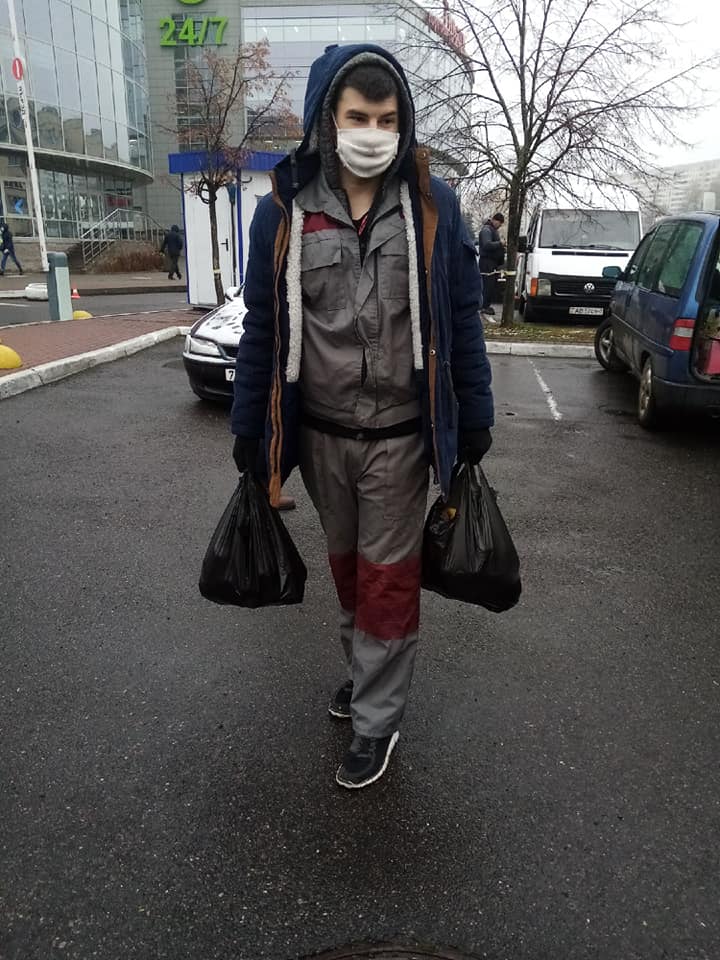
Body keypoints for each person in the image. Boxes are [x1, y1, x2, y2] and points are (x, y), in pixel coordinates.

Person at [230, 44, 494, 789]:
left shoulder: (433, 207)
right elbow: (262, 327)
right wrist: (249, 429)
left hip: (401, 441)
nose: (372, 133)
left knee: (387, 578)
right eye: (358, 117)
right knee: (349, 572)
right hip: (322, 439)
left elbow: (463, 319)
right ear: (328, 119)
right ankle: (364, 672)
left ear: (402, 124)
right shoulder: (284, 213)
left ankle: (377, 720)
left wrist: (475, 416)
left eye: (385, 119)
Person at [478, 213, 505, 316]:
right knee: (487, 285)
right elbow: (486, 245)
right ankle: (483, 306)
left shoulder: (492, 230)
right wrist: (500, 244)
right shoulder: (487, 230)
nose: (499, 226)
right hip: (487, 262)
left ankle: (486, 305)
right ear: (495, 220)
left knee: (491, 285)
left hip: (492, 263)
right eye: (499, 223)